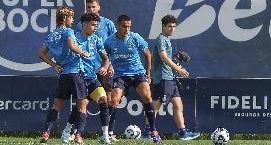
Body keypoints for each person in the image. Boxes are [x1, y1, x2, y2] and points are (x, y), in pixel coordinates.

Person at [104, 15, 161, 143]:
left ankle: (153, 131)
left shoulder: (135, 37)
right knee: (114, 100)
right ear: (117, 26)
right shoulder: (109, 41)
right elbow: (105, 57)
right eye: (124, 26)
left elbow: (148, 55)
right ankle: (106, 133)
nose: (127, 29)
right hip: (120, 75)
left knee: (147, 97)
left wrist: (148, 74)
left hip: (138, 74)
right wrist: (108, 70)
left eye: (129, 26)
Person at [143, 14, 200, 140]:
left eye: (174, 26)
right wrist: (178, 68)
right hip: (163, 78)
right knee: (156, 105)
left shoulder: (167, 39)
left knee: (178, 104)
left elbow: (166, 60)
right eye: (169, 26)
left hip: (170, 78)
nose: (172, 29)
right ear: (163, 26)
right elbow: (163, 57)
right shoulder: (161, 39)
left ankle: (183, 133)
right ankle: (147, 132)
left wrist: (176, 64)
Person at [38, 6, 89, 144]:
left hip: (63, 74)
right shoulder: (68, 32)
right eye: (71, 17)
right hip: (75, 72)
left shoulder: (52, 34)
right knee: (82, 105)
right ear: (65, 18)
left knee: (56, 105)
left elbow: (41, 54)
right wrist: (83, 52)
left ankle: (46, 132)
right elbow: (72, 46)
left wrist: (54, 65)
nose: (72, 20)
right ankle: (78, 135)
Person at [60, 12, 112, 144]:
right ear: (84, 24)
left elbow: (106, 59)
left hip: (92, 78)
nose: (95, 28)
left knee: (103, 100)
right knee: (81, 106)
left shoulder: (97, 40)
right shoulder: (74, 38)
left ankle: (105, 135)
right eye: (93, 25)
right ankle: (70, 132)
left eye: (96, 25)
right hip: (78, 77)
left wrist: (105, 67)